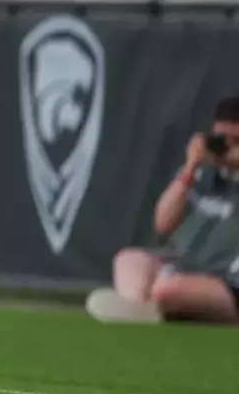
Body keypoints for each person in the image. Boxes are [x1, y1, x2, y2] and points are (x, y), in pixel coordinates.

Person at [87, 97, 239, 325]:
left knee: (169, 288)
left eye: (236, 141)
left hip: (229, 284)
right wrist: (190, 168)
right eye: (221, 140)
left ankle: (152, 306)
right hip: (189, 269)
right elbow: (163, 223)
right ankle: (143, 308)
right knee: (129, 260)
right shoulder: (205, 175)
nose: (227, 148)